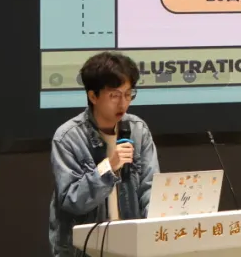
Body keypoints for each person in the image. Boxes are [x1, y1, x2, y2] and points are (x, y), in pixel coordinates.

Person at [48, 51, 159, 257]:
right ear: (93, 96)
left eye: (128, 94)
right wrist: (108, 167)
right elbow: (72, 200)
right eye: (114, 95)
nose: (123, 103)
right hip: (84, 250)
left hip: (130, 247)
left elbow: (150, 188)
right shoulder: (68, 138)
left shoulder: (138, 130)